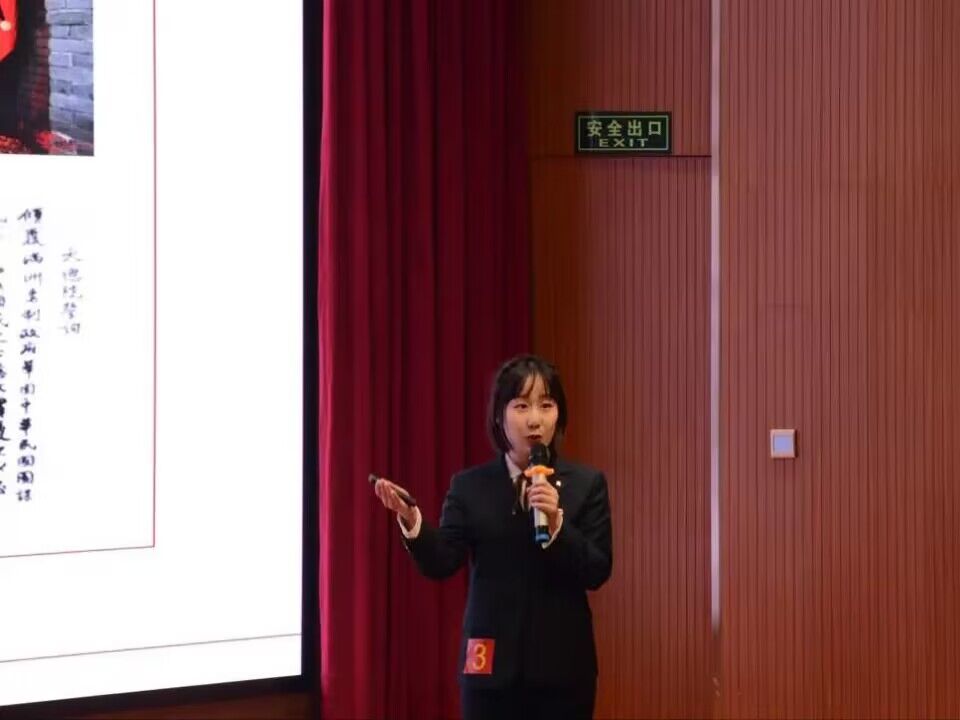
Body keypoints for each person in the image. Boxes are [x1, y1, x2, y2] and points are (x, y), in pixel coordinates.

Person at [374, 354, 613, 719]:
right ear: (500, 416)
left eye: (546, 405)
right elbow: (442, 560)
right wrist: (412, 520)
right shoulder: (470, 486)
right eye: (521, 406)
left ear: (559, 415)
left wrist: (557, 526)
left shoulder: (586, 484)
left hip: (564, 675)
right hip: (489, 673)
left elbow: (597, 569)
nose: (534, 419)